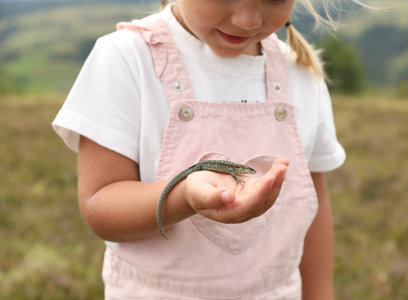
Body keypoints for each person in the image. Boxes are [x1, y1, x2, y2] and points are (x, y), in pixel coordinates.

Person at [52, 0, 349, 298]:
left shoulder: (300, 72)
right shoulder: (125, 58)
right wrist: (183, 196)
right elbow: (100, 206)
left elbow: (313, 203)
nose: (246, 20)